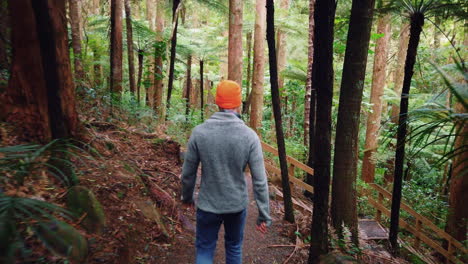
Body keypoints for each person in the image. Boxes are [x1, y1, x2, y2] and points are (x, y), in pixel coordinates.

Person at [181, 80, 272, 264]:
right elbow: (260, 180)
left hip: (207, 204)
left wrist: (187, 197)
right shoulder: (249, 136)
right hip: (236, 205)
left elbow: (188, 173)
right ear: (238, 103)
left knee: (205, 248)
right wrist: (264, 214)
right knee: (234, 247)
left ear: (217, 101)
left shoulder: (199, 132)